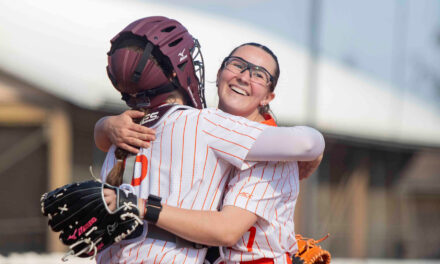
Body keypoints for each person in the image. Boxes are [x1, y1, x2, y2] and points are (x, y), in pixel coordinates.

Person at [96, 17, 324, 264]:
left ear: (268, 97)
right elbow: (109, 143)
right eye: (237, 65)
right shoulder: (200, 126)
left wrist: (140, 206)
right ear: (219, 72)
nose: (245, 77)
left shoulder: (273, 150)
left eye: (259, 74)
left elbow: (226, 230)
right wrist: (106, 125)